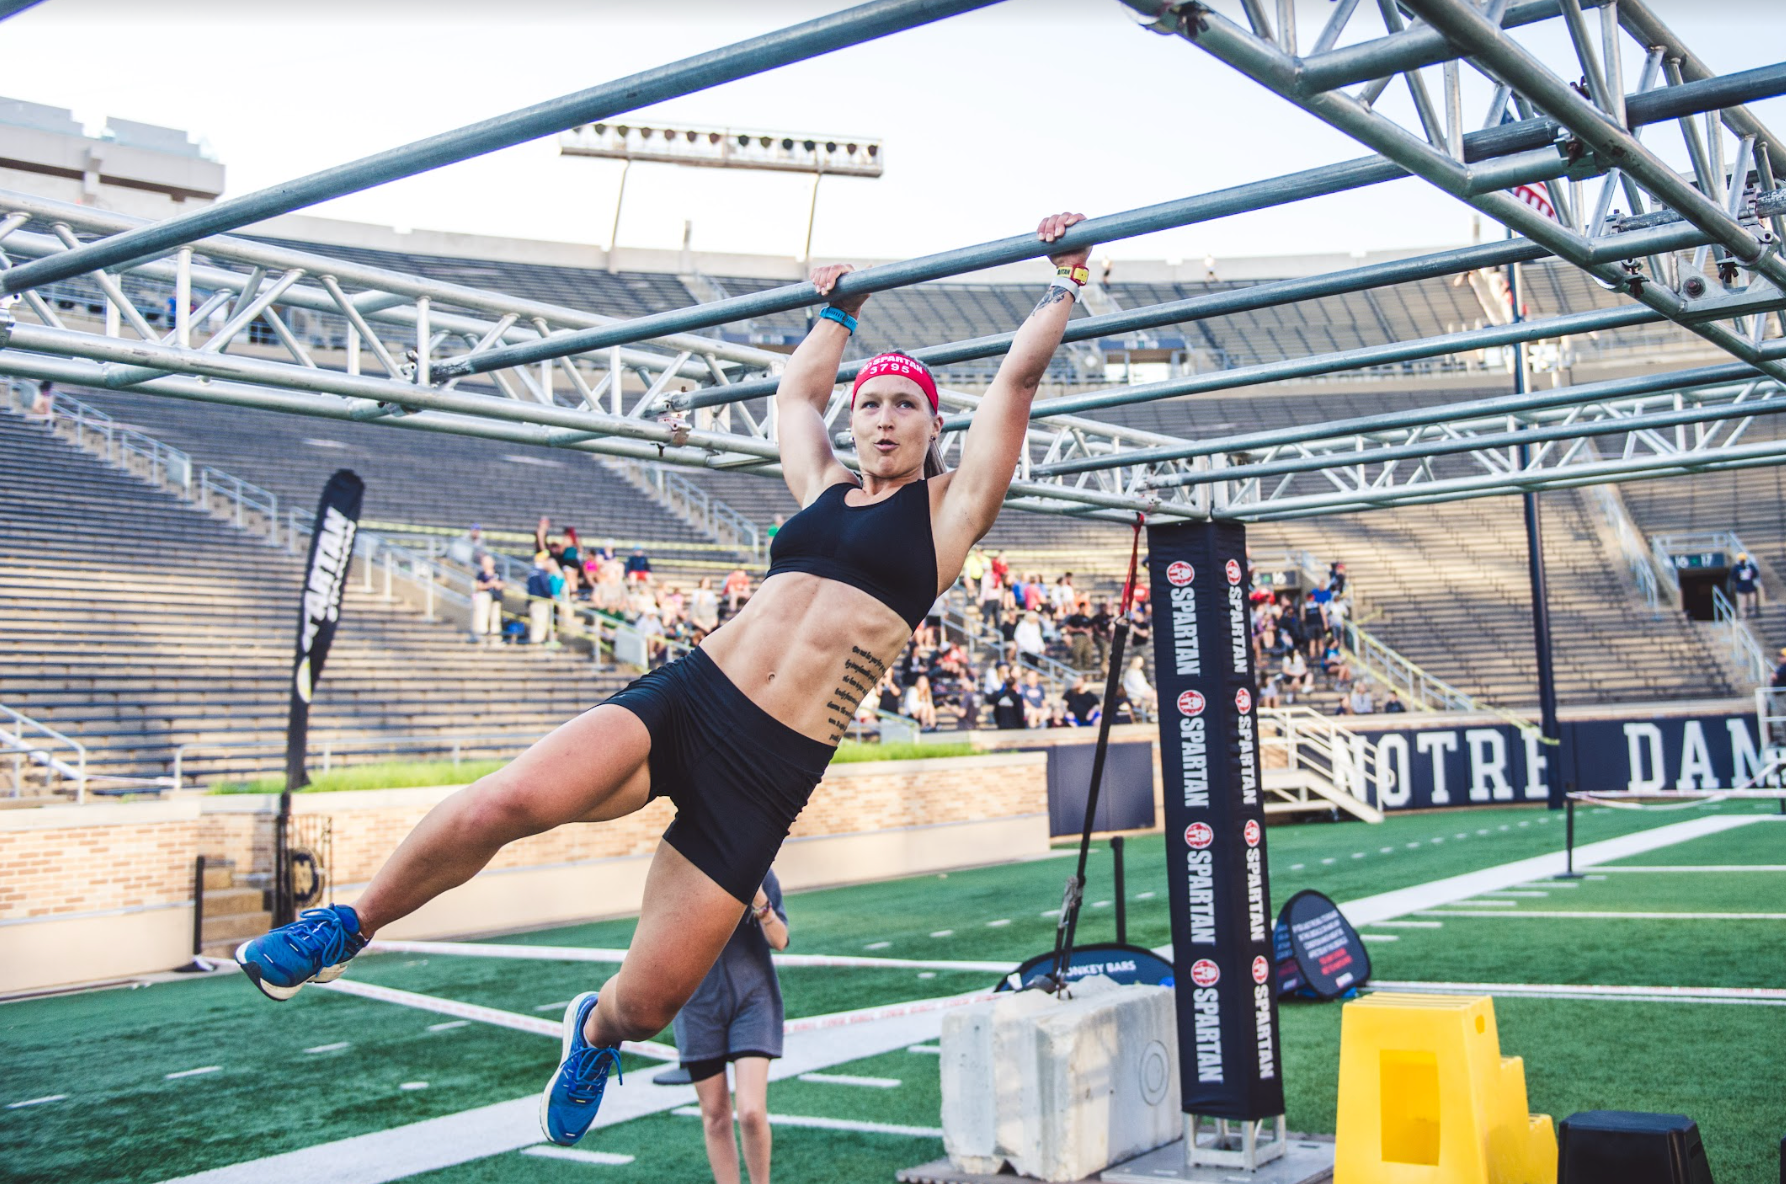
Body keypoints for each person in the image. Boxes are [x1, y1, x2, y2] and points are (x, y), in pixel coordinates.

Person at [232, 211, 1095, 1149]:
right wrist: (838, 315)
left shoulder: (951, 513)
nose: (883, 419)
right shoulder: (823, 489)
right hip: (689, 699)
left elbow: (1016, 379)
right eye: (873, 404)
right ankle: (345, 928)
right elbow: (794, 402)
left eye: (905, 406)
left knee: (647, 1006)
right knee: (504, 802)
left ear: (934, 427)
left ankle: (592, 1029)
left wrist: (1064, 282)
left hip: (769, 770)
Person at [676, 872, 790, 1184]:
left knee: (751, 1111)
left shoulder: (761, 871)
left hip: (754, 1000)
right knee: (715, 1116)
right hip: (697, 1005)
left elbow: (780, 939)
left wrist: (758, 899)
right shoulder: (677, 871)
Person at [471, 554, 504, 647]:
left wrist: (497, 584)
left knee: (495, 620)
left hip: (496, 598)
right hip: (484, 598)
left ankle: (495, 640)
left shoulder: (497, 573)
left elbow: (502, 584)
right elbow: (479, 586)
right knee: (482, 618)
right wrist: (490, 584)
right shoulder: (481, 574)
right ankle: (482, 640)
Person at [526, 552, 555, 645]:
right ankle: (536, 644)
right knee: (540, 624)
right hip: (541, 602)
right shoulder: (541, 573)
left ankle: (535, 642)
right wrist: (550, 595)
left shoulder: (532, 572)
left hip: (533, 602)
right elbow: (545, 587)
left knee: (535, 623)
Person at [1121, 656, 1156, 720]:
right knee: (1154, 695)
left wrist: (1151, 689)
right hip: (1134, 693)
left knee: (1155, 693)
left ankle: (1153, 712)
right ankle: (1152, 714)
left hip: (1142, 692)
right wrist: (1146, 692)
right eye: (1139, 662)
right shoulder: (1130, 672)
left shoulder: (1139, 672)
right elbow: (1136, 686)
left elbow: (1145, 684)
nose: (1141, 664)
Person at [1731, 552, 1762, 618]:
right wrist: (1739, 575)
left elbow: (1755, 574)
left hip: (1750, 587)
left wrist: (1750, 573)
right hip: (1741, 589)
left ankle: (1753, 615)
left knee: (1752, 603)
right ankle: (1743, 617)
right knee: (1742, 605)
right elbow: (1733, 577)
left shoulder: (1750, 566)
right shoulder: (1736, 567)